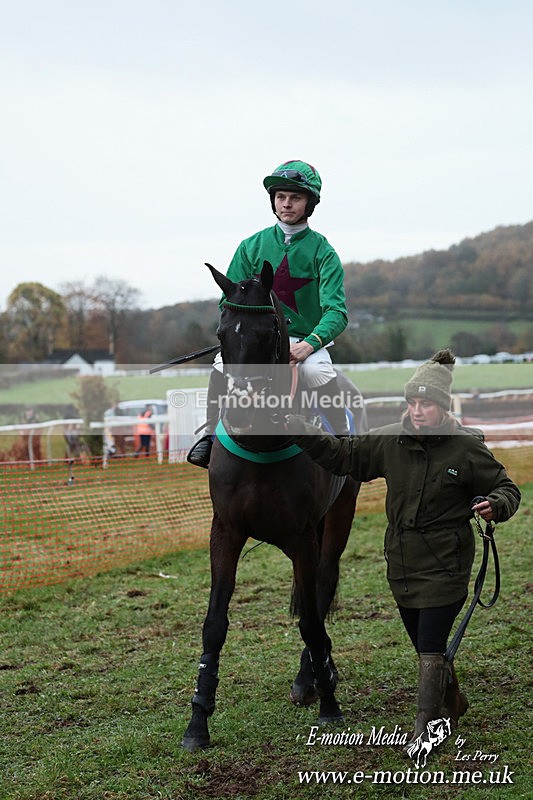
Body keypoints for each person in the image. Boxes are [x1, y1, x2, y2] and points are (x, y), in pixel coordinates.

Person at [284, 349, 521, 739]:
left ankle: (426, 731)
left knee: (430, 645)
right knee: (425, 645)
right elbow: (343, 456)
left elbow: (506, 487)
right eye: (411, 403)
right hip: (402, 565)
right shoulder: (390, 441)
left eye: (425, 403)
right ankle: (453, 699)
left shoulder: (466, 448)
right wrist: (299, 427)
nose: (416, 411)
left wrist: (496, 504)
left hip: (447, 564)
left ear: (441, 407)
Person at [188, 159, 350, 468]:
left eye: (296, 197)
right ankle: (209, 437)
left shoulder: (323, 252)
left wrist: (309, 344)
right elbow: (230, 302)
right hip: (259, 338)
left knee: (317, 371)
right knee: (222, 364)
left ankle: (344, 443)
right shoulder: (251, 246)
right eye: (281, 197)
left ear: (309, 203)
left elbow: (337, 311)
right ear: (273, 200)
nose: (287, 204)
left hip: (305, 340)